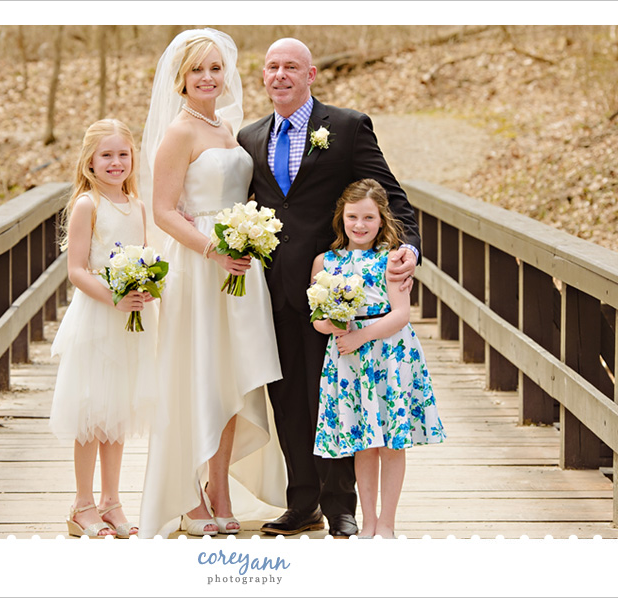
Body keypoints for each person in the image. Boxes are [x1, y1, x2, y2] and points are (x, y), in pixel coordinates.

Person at [237, 37, 422, 537]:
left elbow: (394, 198)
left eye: (291, 67)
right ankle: (302, 502)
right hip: (272, 290)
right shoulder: (248, 137)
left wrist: (411, 250)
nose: (280, 75)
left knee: (338, 396)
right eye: (272, 66)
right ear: (263, 76)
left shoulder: (345, 127)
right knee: (288, 400)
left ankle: (341, 504)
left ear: (311, 74)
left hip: (337, 294)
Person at [137, 29, 285, 538]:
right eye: (197, 69)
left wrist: (246, 242)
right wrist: (213, 249)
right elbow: (161, 210)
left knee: (231, 382)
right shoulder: (179, 132)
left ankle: (221, 491)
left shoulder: (227, 128)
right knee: (198, 377)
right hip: (200, 269)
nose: (207, 77)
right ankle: (191, 495)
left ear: (227, 74)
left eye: (215, 68)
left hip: (240, 270)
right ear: (179, 79)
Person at [311, 179, 445, 538]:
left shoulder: (393, 259)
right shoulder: (325, 262)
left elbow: (401, 313)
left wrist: (360, 336)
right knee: (363, 442)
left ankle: (387, 523)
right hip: (349, 362)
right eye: (353, 216)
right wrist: (332, 324)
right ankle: (367, 521)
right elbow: (317, 319)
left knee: (390, 441)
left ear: (382, 220)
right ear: (341, 218)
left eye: (368, 217)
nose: (359, 225)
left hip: (389, 355)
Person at [49, 119, 156, 538]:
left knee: (118, 409)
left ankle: (112, 500)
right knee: (92, 411)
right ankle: (82, 504)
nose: (116, 162)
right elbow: (76, 270)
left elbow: (144, 256)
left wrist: (145, 288)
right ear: (90, 161)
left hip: (131, 318)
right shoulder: (87, 205)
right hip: (98, 315)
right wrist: (113, 296)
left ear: (133, 159)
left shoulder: (138, 206)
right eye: (106, 155)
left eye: (123, 154)